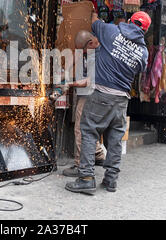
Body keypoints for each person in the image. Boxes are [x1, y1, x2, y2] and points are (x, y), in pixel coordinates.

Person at [65, 11, 150, 195]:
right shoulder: (143, 51)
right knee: (115, 140)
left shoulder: (111, 31)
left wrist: (93, 11)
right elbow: (141, 68)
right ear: (145, 30)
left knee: (88, 132)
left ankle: (86, 178)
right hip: (121, 99)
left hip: (101, 94)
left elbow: (94, 22)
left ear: (129, 21)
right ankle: (111, 180)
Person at [62, 32, 106, 177]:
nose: (82, 53)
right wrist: (64, 71)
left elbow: (90, 80)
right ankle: (98, 155)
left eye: (83, 50)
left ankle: (80, 164)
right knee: (89, 128)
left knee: (80, 128)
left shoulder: (101, 56)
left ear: (91, 43)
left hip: (92, 94)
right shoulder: (88, 48)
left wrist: (70, 83)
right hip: (87, 93)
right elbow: (77, 54)